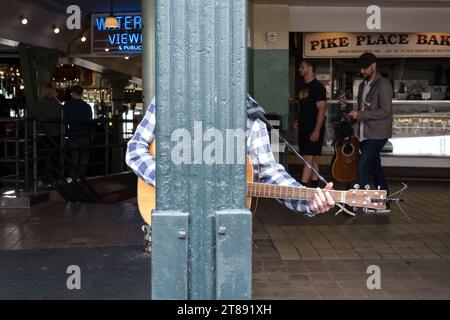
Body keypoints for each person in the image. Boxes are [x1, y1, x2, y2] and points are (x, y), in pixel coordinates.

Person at [126, 94, 335, 216]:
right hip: (174, 215)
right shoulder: (169, 97)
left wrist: (308, 200)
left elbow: (268, 172)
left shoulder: (248, 110)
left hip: (225, 223)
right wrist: (173, 182)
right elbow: (135, 149)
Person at [347, 52, 393, 213]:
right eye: (361, 68)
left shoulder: (383, 85)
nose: (362, 71)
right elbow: (363, 108)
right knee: (375, 168)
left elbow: (385, 111)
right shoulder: (362, 85)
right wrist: (353, 117)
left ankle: (355, 203)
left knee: (363, 166)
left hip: (378, 134)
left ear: (373, 65)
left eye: (365, 68)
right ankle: (384, 203)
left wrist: (360, 115)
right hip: (364, 133)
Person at [297, 60, 327, 188]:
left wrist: (317, 130)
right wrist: (297, 120)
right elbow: (303, 107)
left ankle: (302, 187)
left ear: (310, 68)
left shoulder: (318, 87)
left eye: (302, 67)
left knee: (307, 158)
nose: (299, 69)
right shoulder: (302, 87)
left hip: (313, 128)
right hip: (303, 127)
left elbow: (321, 110)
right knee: (312, 156)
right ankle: (315, 185)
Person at [33, 84, 62, 185]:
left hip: (41, 133)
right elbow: (59, 119)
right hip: (54, 133)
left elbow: (35, 117)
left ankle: (39, 180)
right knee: (56, 158)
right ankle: (57, 179)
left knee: (40, 158)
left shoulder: (39, 104)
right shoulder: (56, 104)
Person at [64, 85, 93, 178]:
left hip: (73, 135)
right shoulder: (87, 107)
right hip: (84, 135)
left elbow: (65, 120)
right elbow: (89, 122)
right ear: (81, 94)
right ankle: (81, 176)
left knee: (74, 159)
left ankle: (74, 177)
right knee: (84, 158)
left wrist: (66, 133)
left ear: (72, 93)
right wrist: (91, 133)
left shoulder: (67, 105)